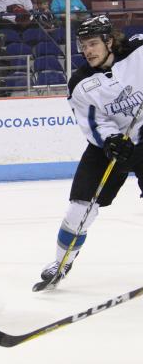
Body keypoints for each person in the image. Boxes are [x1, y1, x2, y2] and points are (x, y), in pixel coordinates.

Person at [36, 16, 143, 289]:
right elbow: (93, 123)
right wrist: (110, 141)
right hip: (109, 147)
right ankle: (61, 262)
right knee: (79, 209)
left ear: (109, 40)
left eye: (93, 43)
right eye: (83, 46)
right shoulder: (80, 82)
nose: (88, 51)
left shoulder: (139, 51)